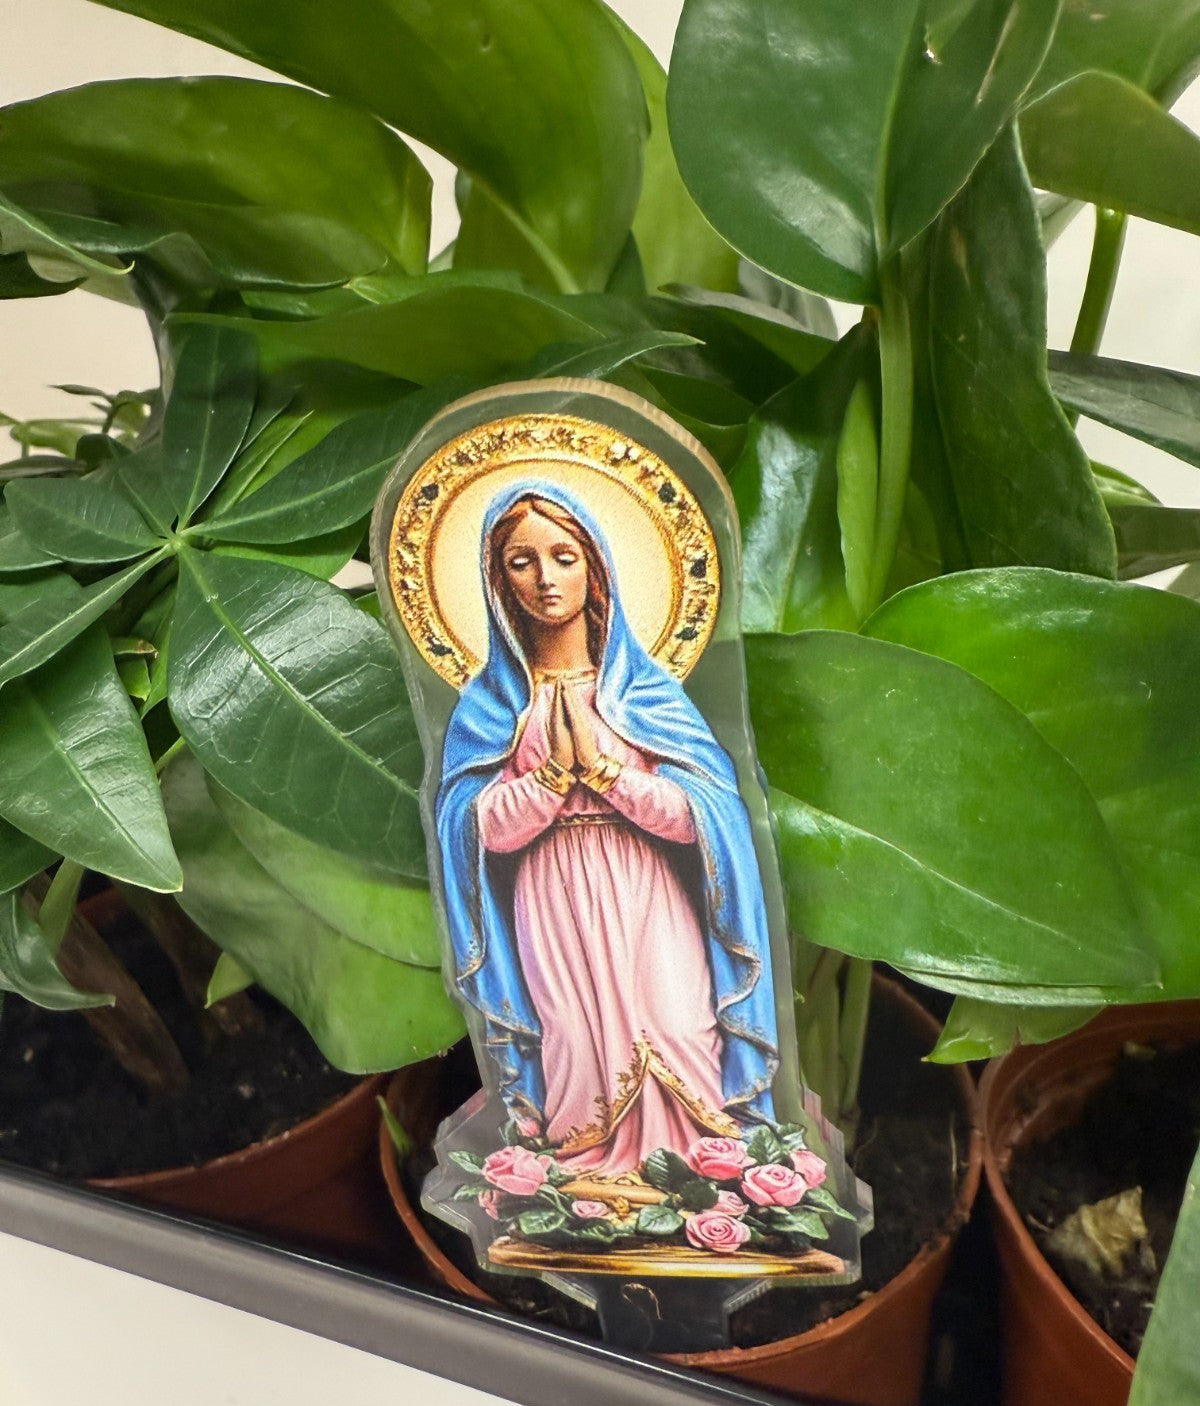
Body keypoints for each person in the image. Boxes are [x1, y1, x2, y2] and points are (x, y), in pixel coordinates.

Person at [435, 481, 780, 1176]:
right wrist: (549, 781)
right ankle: (588, 1175)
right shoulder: (492, 709)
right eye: (521, 562)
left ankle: (704, 1171)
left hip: (647, 884)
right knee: (575, 1040)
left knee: (680, 1023)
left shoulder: (645, 695)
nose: (545, 578)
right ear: (497, 581)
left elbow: (704, 817)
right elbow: (473, 833)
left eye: (563, 557)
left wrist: (606, 773)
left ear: (594, 567)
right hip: (550, 895)